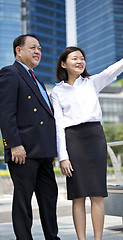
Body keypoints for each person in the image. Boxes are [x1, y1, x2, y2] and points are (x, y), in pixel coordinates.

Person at [50, 42, 123, 240]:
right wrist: (63, 157)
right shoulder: (57, 92)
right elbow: (58, 126)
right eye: (74, 58)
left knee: (97, 193)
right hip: (73, 141)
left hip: (95, 137)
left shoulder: (92, 82)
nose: (80, 61)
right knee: (77, 196)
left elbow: (113, 71)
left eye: (82, 58)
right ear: (63, 64)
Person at [0, 34, 61, 240]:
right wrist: (14, 144)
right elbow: (5, 113)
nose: (38, 52)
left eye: (40, 49)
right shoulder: (10, 73)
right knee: (23, 200)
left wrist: (52, 149)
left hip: (44, 152)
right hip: (23, 152)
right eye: (33, 47)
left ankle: (52, 238)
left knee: (49, 198)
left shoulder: (39, 82)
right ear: (19, 50)